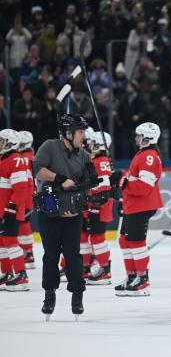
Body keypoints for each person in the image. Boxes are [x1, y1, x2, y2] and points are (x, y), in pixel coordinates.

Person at [32, 114, 98, 320]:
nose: (84, 136)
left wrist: (97, 178)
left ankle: (77, 295)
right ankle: (49, 295)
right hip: (50, 212)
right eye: (81, 132)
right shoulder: (50, 146)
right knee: (51, 256)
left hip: (73, 215)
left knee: (73, 255)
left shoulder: (85, 155)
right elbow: (36, 169)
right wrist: (59, 179)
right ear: (68, 134)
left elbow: (88, 184)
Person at [115, 122, 163, 297]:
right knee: (124, 241)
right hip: (133, 204)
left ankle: (143, 279)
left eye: (139, 135)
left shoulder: (148, 156)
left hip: (141, 205)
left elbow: (143, 187)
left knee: (136, 242)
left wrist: (121, 182)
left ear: (148, 138)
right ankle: (132, 276)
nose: (136, 138)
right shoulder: (142, 154)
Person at [0, 129, 31, 291]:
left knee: (11, 241)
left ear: (10, 143)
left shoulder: (15, 159)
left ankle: (21, 275)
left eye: (2, 141)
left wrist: (11, 209)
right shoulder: (3, 158)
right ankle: (7, 273)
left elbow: (21, 188)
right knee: (2, 243)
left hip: (9, 210)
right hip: (2, 209)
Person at [85, 131, 114, 285]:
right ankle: (103, 268)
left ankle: (104, 269)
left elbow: (103, 186)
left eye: (93, 143)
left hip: (99, 206)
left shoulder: (99, 161)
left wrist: (93, 200)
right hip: (98, 205)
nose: (90, 146)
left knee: (97, 237)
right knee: (95, 237)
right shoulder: (101, 160)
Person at [17, 131, 35, 269]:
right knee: (23, 223)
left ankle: (27, 253)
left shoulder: (25, 157)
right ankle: (27, 252)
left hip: (26, 195)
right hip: (28, 194)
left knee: (23, 223)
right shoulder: (28, 156)